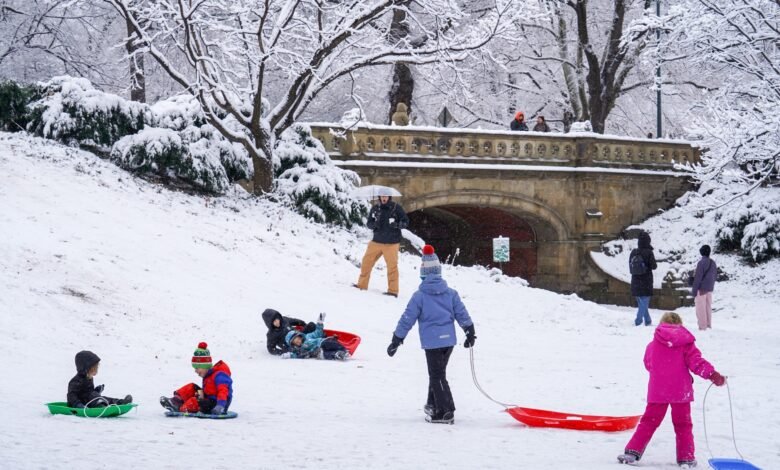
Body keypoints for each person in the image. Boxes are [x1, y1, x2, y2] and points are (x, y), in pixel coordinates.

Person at [617, 312, 726, 467]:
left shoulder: (653, 345)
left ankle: (632, 453)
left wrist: (663, 374)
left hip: (658, 390)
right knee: (683, 424)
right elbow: (697, 363)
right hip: (681, 391)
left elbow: (648, 364)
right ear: (680, 325)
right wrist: (713, 375)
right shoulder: (686, 343)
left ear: (662, 324)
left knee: (649, 422)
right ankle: (686, 458)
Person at [387, 245, 476, 424]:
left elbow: (407, 319)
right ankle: (432, 403)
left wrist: (397, 339)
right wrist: (469, 331)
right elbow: (462, 313)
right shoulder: (451, 294)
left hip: (432, 342)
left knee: (437, 376)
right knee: (438, 373)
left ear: (423, 274)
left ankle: (445, 411)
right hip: (448, 342)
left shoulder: (419, 296)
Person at [354, 195, 409, 297]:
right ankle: (361, 285)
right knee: (366, 263)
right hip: (376, 241)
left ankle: (393, 291)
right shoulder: (375, 208)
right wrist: (374, 224)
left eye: (386, 196)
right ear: (379, 197)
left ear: (389, 197)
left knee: (392, 267)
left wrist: (396, 224)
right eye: (382, 196)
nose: (384, 198)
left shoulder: (396, 208)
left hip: (392, 243)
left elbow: (406, 222)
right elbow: (369, 223)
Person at [159, 342, 233, 415]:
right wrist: (201, 394)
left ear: (204, 366)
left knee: (197, 401)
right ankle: (175, 401)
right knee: (192, 387)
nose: (195, 371)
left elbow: (223, 391)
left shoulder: (219, 375)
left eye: (197, 368)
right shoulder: (208, 375)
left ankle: (181, 408)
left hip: (218, 404)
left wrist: (220, 405)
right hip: (208, 400)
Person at [67, 351, 132, 408]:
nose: (97, 369)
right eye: (94, 368)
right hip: (82, 403)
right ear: (86, 368)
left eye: (97, 367)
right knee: (97, 398)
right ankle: (101, 406)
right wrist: (77, 404)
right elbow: (71, 396)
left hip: (91, 400)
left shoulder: (89, 378)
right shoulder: (76, 381)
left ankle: (120, 402)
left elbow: (88, 392)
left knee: (104, 398)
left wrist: (96, 391)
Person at [283, 313, 350, 360]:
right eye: (294, 342)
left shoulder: (308, 336)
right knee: (323, 355)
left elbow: (318, 332)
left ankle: (344, 350)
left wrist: (319, 323)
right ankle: (338, 355)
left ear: (299, 336)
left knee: (329, 343)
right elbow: (297, 355)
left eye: (296, 339)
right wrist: (290, 355)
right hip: (318, 351)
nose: (297, 341)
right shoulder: (300, 349)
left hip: (321, 343)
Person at [630, 231, 658, 326]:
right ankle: (638, 321)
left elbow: (630, 267)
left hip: (635, 281)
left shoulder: (634, 252)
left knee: (642, 302)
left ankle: (648, 320)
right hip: (646, 281)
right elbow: (654, 266)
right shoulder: (649, 252)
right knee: (644, 302)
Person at [691, 245, 717, 330]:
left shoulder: (701, 263)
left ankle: (702, 326)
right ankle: (708, 324)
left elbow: (697, 278)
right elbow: (714, 276)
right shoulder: (713, 263)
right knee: (708, 307)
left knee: (700, 308)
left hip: (701, 289)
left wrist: (694, 291)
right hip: (709, 288)